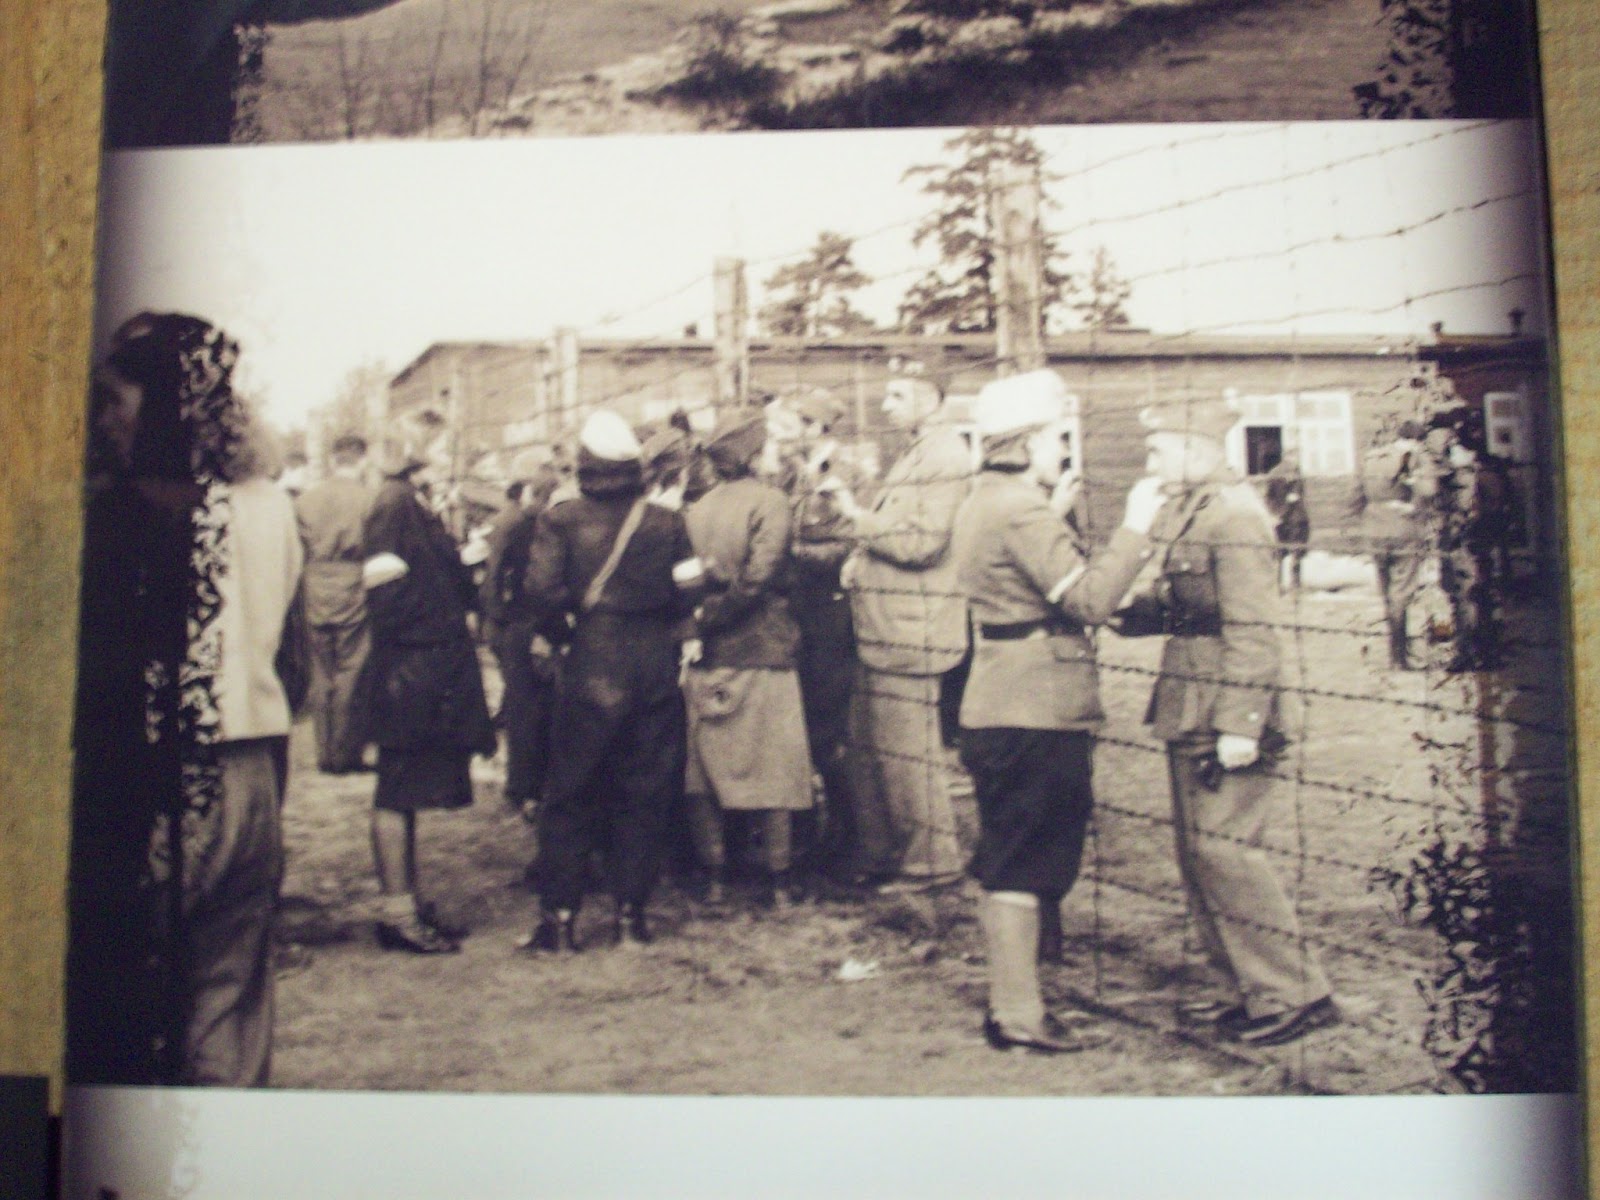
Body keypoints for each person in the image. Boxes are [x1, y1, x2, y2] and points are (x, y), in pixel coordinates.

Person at [68, 312, 303, 1086]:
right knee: (230, 995)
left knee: (134, 1000)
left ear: (165, 403)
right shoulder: (269, 504)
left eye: (117, 399)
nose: (105, 417)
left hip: (162, 777)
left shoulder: (131, 513)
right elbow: (285, 651)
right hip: (253, 772)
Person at [952, 370, 1168, 1053]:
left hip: (1002, 699)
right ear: (1025, 444)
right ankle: (1017, 1014)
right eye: (1055, 439)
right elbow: (1089, 602)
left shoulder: (988, 499)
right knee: (1025, 860)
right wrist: (1136, 525)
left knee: (1015, 852)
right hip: (1034, 708)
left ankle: (1017, 1002)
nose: (1063, 451)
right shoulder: (1021, 510)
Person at [1126, 395, 1337, 1048]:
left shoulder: (1236, 515)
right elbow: (1189, 605)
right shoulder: (1190, 509)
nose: (1150, 462)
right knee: (1200, 854)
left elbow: (1253, 628)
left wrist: (1242, 724)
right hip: (1191, 698)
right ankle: (1248, 987)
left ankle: (1295, 993)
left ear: (1195, 447)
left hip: (1229, 707)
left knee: (1226, 850)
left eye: (1158, 449)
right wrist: (1125, 610)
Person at [522, 411, 704, 950]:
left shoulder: (560, 519)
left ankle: (560, 922)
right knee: (645, 791)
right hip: (653, 661)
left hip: (591, 660)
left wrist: (563, 634)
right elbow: (691, 588)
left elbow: (541, 592)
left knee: (570, 791)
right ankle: (631, 919)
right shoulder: (666, 521)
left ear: (585, 467)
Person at [827, 368, 973, 893]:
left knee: (908, 754)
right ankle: (888, 853)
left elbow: (921, 543)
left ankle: (932, 862)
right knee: (873, 748)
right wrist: (860, 559)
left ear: (930, 399)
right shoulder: (920, 452)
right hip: (888, 627)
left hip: (911, 632)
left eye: (897, 395)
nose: (885, 405)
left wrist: (854, 516)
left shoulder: (944, 458)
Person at [361, 444, 497, 954]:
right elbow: (385, 593)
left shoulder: (410, 502)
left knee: (405, 788)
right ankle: (398, 914)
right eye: (442, 447)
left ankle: (406, 904)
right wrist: (431, 633)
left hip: (423, 665)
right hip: (412, 669)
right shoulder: (393, 503)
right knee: (396, 788)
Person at [682, 411, 815, 907]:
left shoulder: (696, 509)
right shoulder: (771, 502)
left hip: (710, 653)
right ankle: (779, 880)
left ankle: (715, 875)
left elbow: (688, 579)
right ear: (754, 455)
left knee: (707, 766)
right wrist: (723, 611)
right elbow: (761, 576)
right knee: (774, 765)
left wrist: (703, 617)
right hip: (764, 649)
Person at [778, 390, 880, 889]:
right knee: (800, 733)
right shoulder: (790, 476)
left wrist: (787, 554)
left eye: (790, 425)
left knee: (831, 734)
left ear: (815, 427)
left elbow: (852, 547)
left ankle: (851, 839)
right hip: (796, 617)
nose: (781, 436)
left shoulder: (848, 476)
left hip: (830, 619)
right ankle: (813, 835)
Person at [480, 459, 562, 816]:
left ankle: (524, 785)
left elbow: (494, 577)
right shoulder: (536, 527)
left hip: (516, 625)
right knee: (532, 710)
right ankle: (528, 787)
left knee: (524, 708)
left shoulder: (517, 523)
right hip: (527, 626)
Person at [294, 433, 375, 774]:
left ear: (333, 459)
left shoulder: (306, 500)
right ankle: (345, 754)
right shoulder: (369, 499)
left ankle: (323, 753)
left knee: (321, 671)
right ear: (362, 459)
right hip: (353, 584)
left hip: (314, 584)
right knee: (351, 670)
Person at [1355, 420, 1438, 670]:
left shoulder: (1372, 457)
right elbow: (1429, 490)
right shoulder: (1416, 456)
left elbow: (1355, 495)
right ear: (1418, 440)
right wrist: (1415, 507)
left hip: (1374, 530)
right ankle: (1399, 658)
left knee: (1386, 591)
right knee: (1401, 593)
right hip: (1404, 529)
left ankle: (1396, 653)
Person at [1262, 451, 1310, 592]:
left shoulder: (1273, 472)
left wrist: (1273, 514)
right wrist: (1282, 514)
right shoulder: (1295, 472)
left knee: (1279, 554)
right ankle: (1295, 585)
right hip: (1295, 519)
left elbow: (1268, 496)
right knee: (1296, 553)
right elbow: (1293, 498)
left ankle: (1278, 585)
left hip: (1278, 519)